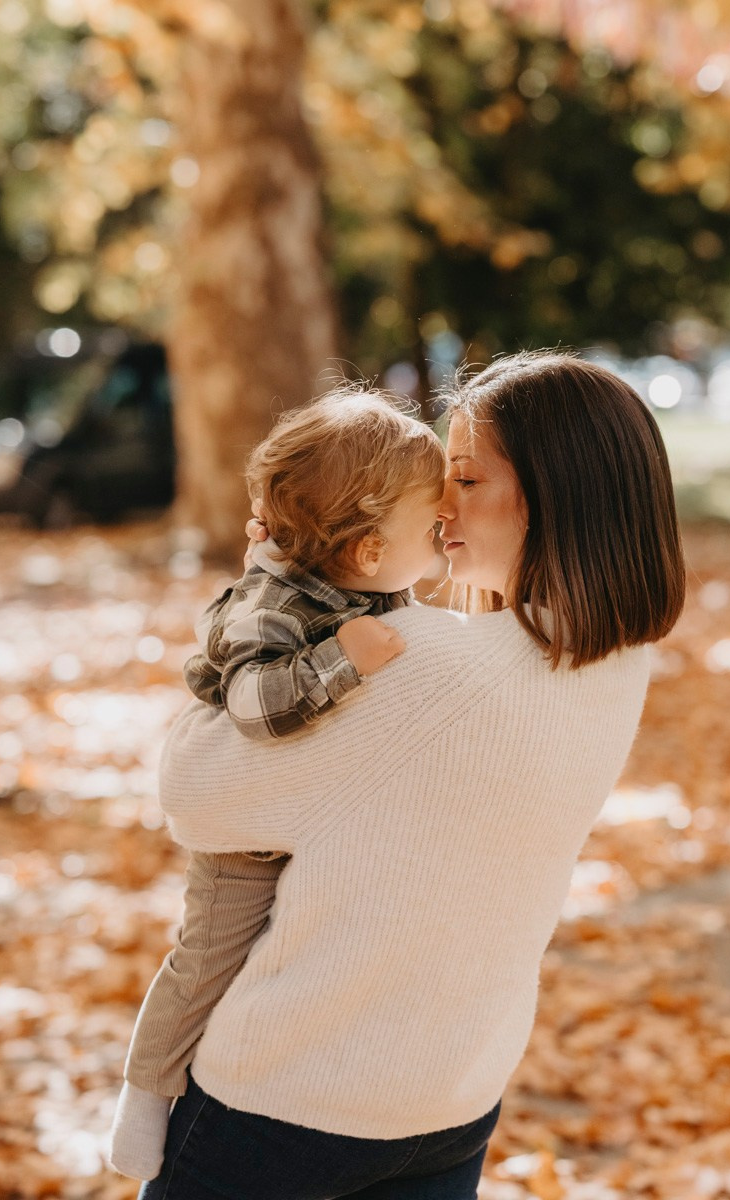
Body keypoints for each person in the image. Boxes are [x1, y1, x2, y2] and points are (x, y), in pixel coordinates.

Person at [136, 351, 685, 1200]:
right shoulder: (619, 662)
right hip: (455, 1101)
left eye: (464, 478)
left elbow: (193, 792)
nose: (439, 505)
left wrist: (274, 594)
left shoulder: (418, 666)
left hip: (291, 1101)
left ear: (555, 494)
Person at [109, 391, 445, 1180]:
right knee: (205, 963)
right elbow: (257, 708)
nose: (443, 542)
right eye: (433, 530)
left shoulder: (359, 580)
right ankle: (145, 1093)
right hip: (243, 845)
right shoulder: (268, 610)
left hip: (308, 835)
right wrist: (343, 661)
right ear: (369, 550)